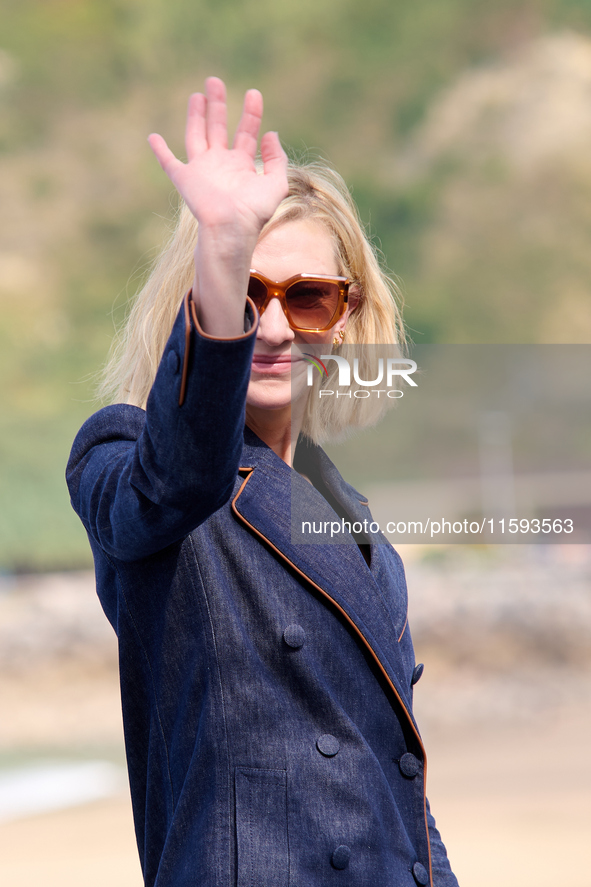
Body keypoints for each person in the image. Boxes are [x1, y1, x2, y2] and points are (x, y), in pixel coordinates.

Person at [67, 77, 459, 887]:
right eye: (248, 293)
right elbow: (179, 477)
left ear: (346, 316)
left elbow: (397, 790)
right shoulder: (127, 453)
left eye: (308, 297)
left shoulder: (356, 525)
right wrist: (221, 249)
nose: (274, 328)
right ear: (200, 302)